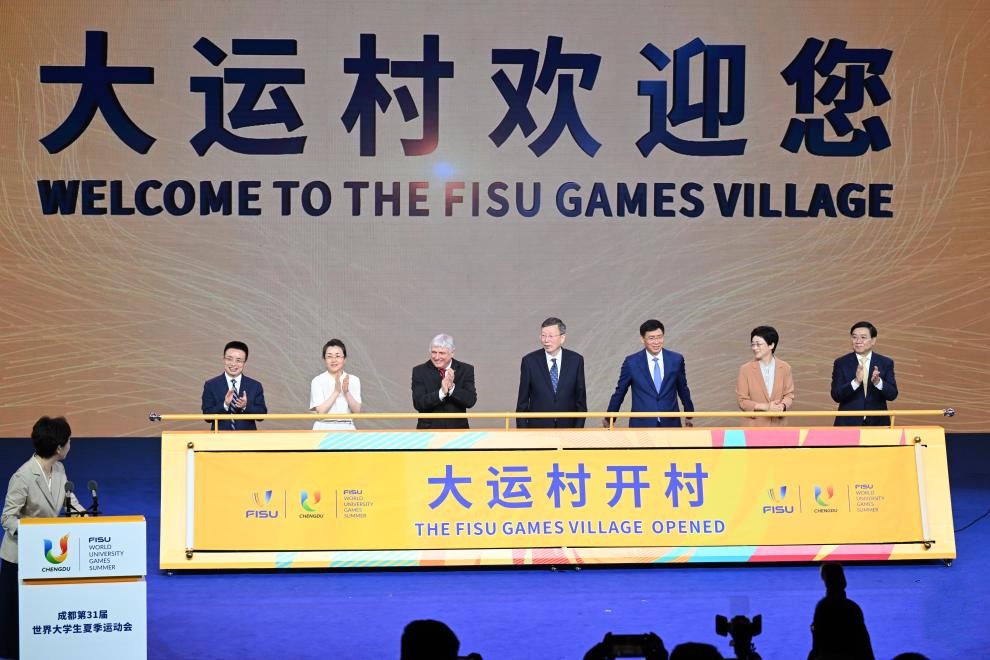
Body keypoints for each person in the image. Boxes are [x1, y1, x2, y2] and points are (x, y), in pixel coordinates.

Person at [1, 416, 83, 659]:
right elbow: (7, 518)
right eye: (68, 441)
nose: (70, 445)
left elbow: (70, 501)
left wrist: (84, 517)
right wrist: (34, 533)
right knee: (14, 622)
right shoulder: (23, 476)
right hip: (19, 558)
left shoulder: (59, 468)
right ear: (59, 447)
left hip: (47, 556)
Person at [605, 320, 694, 428]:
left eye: (659, 337)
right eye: (651, 338)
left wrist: (689, 414)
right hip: (641, 425)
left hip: (670, 423)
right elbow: (620, 391)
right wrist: (609, 418)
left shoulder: (676, 359)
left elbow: (683, 388)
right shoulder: (631, 362)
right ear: (642, 339)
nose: (656, 342)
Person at [515, 317, 587, 428]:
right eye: (543, 335)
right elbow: (522, 404)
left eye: (551, 336)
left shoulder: (576, 360)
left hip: (568, 429)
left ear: (562, 338)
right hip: (537, 430)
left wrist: (578, 430)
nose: (546, 340)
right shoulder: (529, 362)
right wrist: (524, 434)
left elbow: (581, 402)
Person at [830, 322, 898, 426]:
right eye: (854, 337)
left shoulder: (885, 362)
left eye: (863, 337)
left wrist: (878, 382)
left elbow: (892, 394)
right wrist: (856, 382)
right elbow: (836, 395)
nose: (858, 341)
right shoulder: (841, 363)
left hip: (878, 424)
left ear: (873, 340)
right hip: (848, 424)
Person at [808, 563, 875, 660]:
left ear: (825, 581)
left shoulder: (823, 607)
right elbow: (864, 641)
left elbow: (817, 641)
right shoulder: (853, 607)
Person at [411, 334, 477, 429]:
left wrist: (452, 388)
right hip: (428, 432)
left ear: (452, 353)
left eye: (442, 353)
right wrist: (441, 393)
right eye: (434, 352)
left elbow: (471, 401)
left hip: (458, 432)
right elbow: (418, 403)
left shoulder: (466, 369)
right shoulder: (419, 371)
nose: (437, 357)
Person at [201, 341, 268, 430]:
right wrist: (225, 404)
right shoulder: (211, 385)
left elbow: (262, 415)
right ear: (224, 360)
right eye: (229, 359)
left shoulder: (255, 386)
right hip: (219, 439)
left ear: (244, 363)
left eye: (238, 360)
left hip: (247, 439)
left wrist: (245, 406)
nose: (233, 364)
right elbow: (207, 417)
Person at [736, 326, 795, 426]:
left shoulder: (785, 367)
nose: (755, 348)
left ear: (771, 345)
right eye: (753, 345)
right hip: (754, 427)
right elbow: (741, 401)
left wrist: (782, 406)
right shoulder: (745, 369)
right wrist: (766, 407)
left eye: (758, 344)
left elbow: (789, 395)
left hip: (778, 426)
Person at [309, 339, 362, 430]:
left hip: (347, 427)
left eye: (337, 356)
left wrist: (346, 392)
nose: (333, 360)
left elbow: (357, 411)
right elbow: (320, 411)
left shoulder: (353, 380)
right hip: (323, 427)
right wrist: (336, 392)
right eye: (329, 356)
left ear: (344, 359)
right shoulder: (317, 381)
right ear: (324, 359)